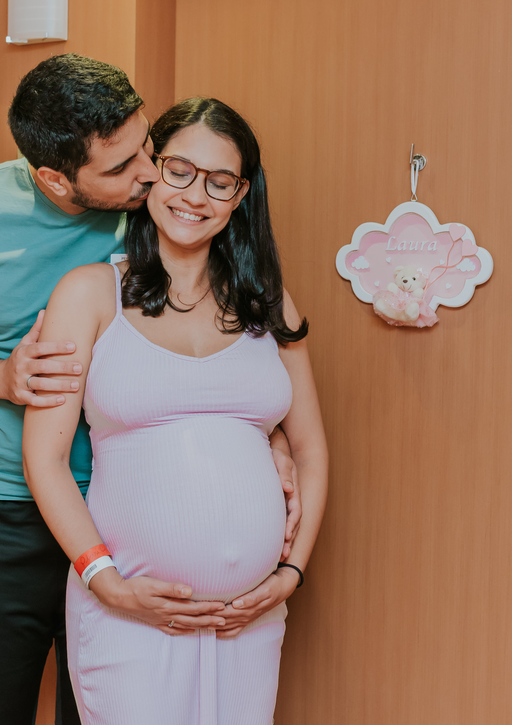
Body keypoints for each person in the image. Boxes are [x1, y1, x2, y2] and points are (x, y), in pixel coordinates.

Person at [0, 55, 302, 725]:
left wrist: (263, 436)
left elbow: (211, 347)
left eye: (147, 146)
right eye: (124, 166)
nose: (152, 173)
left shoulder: (162, 206)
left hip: (124, 520)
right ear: (56, 178)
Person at [23, 97, 329, 725]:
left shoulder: (269, 303)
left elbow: (310, 449)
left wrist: (292, 572)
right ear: (151, 169)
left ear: (241, 195)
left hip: (249, 618)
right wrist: (105, 581)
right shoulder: (89, 294)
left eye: (220, 181)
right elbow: (45, 458)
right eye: (180, 170)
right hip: (129, 612)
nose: (195, 195)